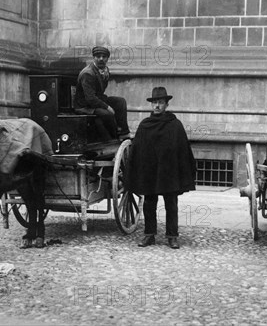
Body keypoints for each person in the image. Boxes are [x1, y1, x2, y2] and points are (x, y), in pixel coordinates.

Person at [128, 87, 196, 249]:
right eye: (155, 103)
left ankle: (172, 236)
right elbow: (137, 149)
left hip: (169, 171)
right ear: (151, 105)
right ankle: (149, 235)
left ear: (166, 104)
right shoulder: (145, 125)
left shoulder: (175, 125)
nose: (157, 106)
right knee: (149, 203)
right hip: (150, 171)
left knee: (171, 203)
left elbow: (182, 149)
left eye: (160, 103)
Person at [74, 46, 130, 140]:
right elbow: (90, 98)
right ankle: (113, 138)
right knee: (107, 113)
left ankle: (123, 132)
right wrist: (107, 107)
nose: (101, 59)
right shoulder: (88, 73)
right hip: (85, 106)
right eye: (98, 56)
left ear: (107, 58)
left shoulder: (104, 70)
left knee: (120, 102)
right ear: (93, 57)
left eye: (104, 56)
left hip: (96, 100)